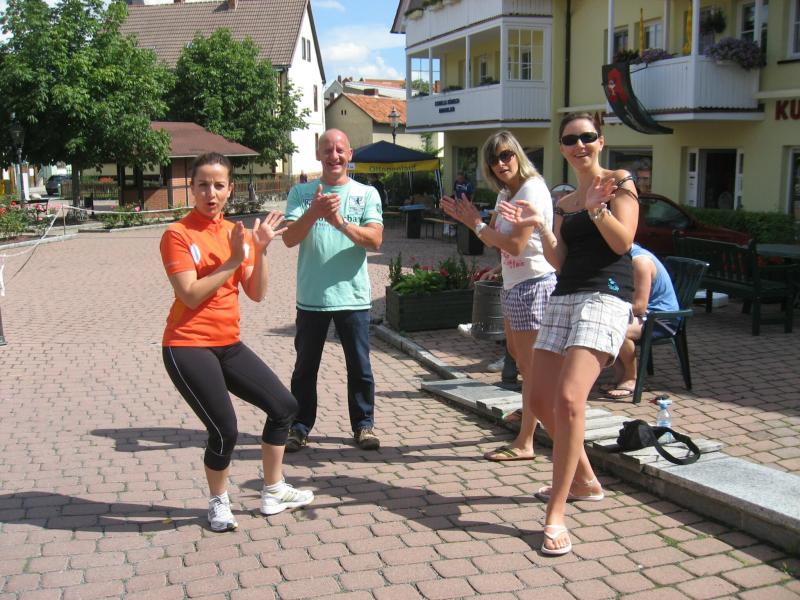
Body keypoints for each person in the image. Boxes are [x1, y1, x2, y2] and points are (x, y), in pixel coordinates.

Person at [497, 112, 638, 555]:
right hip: (565, 295)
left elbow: (623, 243)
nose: (580, 145)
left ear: (601, 140)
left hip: (605, 296)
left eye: (587, 137)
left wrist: (597, 207)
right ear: (561, 147)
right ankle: (586, 481)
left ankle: (555, 514)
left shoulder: (619, 182)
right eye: (571, 140)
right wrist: (541, 225)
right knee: (539, 400)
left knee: (569, 399)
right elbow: (558, 261)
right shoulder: (564, 200)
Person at [160, 152, 314, 533]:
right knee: (225, 429)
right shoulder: (177, 235)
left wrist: (259, 251)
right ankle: (218, 502)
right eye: (202, 185)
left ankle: (273, 490)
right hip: (186, 345)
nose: (210, 193)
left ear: (230, 189)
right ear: (191, 188)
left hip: (228, 343)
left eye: (218, 185)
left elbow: (256, 293)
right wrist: (231, 261)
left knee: (284, 407)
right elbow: (189, 294)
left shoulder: (238, 234)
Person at [442, 130, 556, 463]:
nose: (501, 163)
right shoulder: (507, 192)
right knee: (518, 357)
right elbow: (493, 237)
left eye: (506, 155)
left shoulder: (531, 190)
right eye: (494, 160)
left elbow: (516, 245)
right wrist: (474, 223)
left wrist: (476, 224)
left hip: (534, 283)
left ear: (518, 154)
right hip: (515, 283)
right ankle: (532, 411)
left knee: (530, 367)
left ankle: (526, 440)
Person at [282, 129, 384, 452]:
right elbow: (289, 238)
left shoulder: (366, 193)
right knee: (305, 369)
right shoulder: (301, 193)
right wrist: (314, 212)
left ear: (350, 154)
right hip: (312, 297)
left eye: (340, 150)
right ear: (318, 155)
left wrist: (339, 221)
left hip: (353, 297)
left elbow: (375, 240)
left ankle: (363, 426)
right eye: (327, 150)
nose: (334, 156)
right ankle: (299, 427)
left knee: (360, 367)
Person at [600, 243, 679, 399]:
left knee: (617, 329)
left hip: (662, 318)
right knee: (599, 324)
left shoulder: (640, 262)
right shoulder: (619, 259)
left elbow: (640, 307)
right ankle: (619, 374)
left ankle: (631, 378)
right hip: (641, 316)